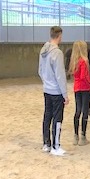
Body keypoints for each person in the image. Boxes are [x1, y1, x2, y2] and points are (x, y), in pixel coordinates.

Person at [38, 26, 69, 156]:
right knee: (57, 118)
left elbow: (39, 70)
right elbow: (60, 75)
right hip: (56, 91)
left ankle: (46, 143)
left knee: (47, 116)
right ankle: (56, 146)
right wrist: (65, 94)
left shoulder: (43, 50)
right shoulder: (57, 53)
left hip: (46, 89)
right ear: (59, 36)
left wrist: (46, 83)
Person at [68, 40, 90, 146]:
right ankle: (83, 136)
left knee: (77, 111)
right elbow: (85, 77)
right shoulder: (84, 61)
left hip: (77, 88)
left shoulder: (74, 62)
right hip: (85, 88)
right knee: (85, 112)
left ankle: (75, 136)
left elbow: (77, 77)